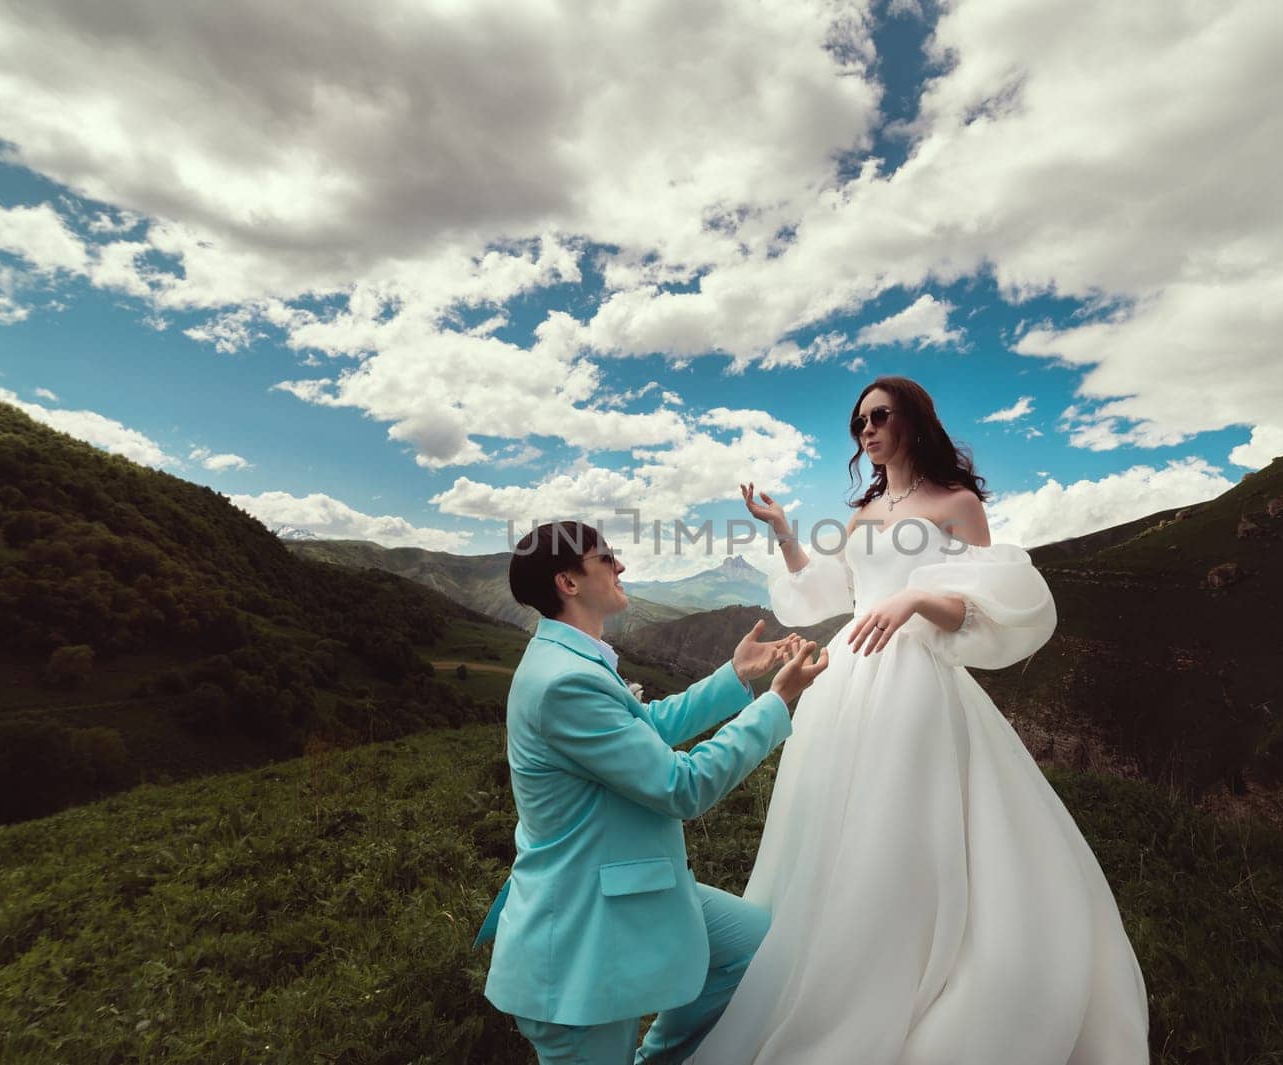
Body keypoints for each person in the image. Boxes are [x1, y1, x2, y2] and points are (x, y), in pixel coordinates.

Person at [688, 376, 1151, 1064]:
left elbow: (982, 605)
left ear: (912, 420)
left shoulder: (957, 503)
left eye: (878, 416)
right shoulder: (867, 510)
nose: (866, 431)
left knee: (905, 832)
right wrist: (785, 529)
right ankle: (832, 968)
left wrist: (913, 600)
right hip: (847, 678)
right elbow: (820, 592)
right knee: (833, 835)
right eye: (857, 424)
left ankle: (917, 973)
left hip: (917, 683)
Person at [473, 520, 829, 1065]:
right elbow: (680, 787)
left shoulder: (573, 660)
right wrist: (774, 704)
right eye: (606, 558)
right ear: (568, 582)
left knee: (752, 946)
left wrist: (735, 675)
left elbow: (647, 727)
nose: (621, 566)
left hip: (616, 886)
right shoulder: (564, 681)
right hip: (577, 945)